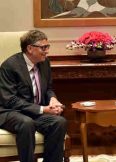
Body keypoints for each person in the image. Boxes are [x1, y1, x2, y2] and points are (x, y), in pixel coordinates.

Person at [0, 30, 67, 162]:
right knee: (26, 123)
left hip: (34, 112)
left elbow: (48, 88)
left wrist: (53, 99)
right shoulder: (10, 66)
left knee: (59, 122)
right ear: (30, 48)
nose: (47, 51)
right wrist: (43, 110)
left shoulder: (44, 63)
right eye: (43, 47)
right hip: (10, 111)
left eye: (48, 47)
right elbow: (10, 100)